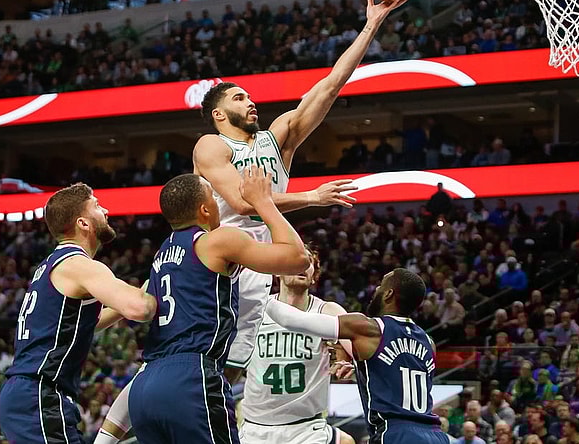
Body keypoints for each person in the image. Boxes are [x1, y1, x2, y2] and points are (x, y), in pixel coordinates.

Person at [193, 0, 407, 384]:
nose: (251, 100)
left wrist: (371, 25)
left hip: (263, 262)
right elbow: (245, 203)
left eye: (249, 95)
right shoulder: (211, 145)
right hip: (218, 259)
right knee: (195, 361)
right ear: (219, 115)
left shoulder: (278, 139)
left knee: (233, 372)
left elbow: (330, 86)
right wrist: (312, 197)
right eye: (239, 98)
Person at [127, 168, 311, 444]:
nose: (217, 203)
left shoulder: (161, 254)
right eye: (213, 196)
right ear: (204, 209)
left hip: (145, 384)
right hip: (191, 376)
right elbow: (298, 258)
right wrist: (262, 201)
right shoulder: (217, 240)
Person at [0, 183, 158, 444]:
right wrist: (159, 286)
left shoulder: (52, 265)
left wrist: (124, 303)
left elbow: (83, 325)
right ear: (83, 223)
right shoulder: (80, 265)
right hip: (39, 393)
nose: (105, 210)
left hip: (26, 393)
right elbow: (140, 308)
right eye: (96, 205)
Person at [264, 267, 449, 443]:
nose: (376, 289)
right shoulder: (428, 342)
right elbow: (398, 374)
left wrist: (260, 292)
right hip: (435, 434)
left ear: (388, 294)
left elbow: (292, 319)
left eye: (381, 286)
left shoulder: (369, 328)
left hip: (395, 433)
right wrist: (360, 371)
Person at [240, 247, 355, 444]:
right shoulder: (256, 308)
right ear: (277, 271)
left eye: (308, 262)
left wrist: (344, 358)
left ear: (314, 277)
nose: (302, 266)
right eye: (296, 260)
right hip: (256, 427)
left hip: (306, 427)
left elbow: (359, 342)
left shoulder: (327, 311)